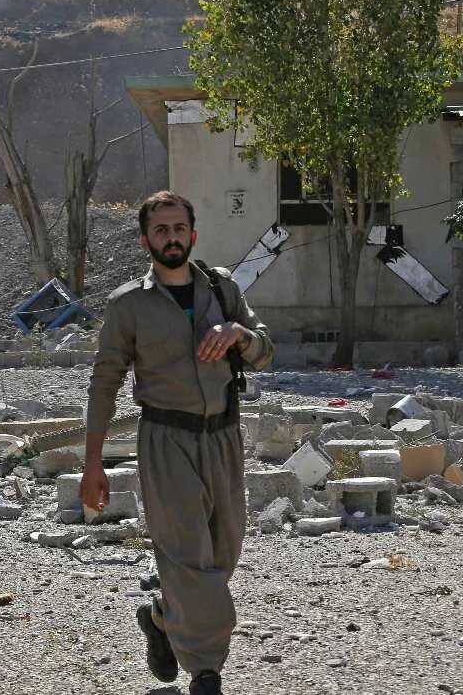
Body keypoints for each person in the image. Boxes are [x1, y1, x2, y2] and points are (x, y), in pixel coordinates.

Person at [81, 191, 274, 695]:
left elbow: (265, 351)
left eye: (179, 228)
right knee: (188, 556)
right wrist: (92, 464)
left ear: (193, 234)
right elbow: (105, 383)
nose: (171, 237)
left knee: (223, 555)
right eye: (161, 230)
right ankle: (206, 670)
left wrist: (238, 334)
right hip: (166, 441)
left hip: (224, 439)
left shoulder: (223, 289)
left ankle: (163, 617)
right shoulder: (129, 305)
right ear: (146, 240)